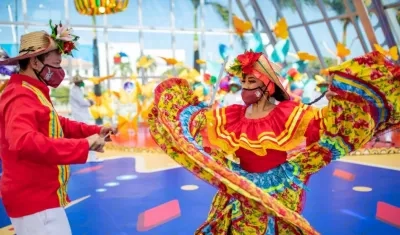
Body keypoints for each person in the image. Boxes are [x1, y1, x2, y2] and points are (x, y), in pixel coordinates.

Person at [148, 50, 400, 234]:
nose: (244, 87)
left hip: (279, 185)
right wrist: (190, 115)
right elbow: (198, 125)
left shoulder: (289, 113)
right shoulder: (232, 114)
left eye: (251, 81)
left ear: (267, 85)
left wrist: (341, 101)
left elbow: (326, 127)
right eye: (243, 82)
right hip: (240, 183)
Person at [0, 21, 117, 235]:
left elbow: (57, 123)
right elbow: (24, 142)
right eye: (55, 64)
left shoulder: (32, 91)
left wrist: (94, 131)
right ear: (35, 62)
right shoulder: (20, 95)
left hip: (41, 197)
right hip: (33, 200)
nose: (59, 70)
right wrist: (83, 145)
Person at [69, 74, 100, 162]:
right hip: (80, 116)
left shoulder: (77, 90)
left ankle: (91, 157)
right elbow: (82, 102)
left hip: (81, 115)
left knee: (87, 135)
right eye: (81, 81)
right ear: (77, 82)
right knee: (87, 136)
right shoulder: (75, 91)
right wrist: (90, 102)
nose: (82, 83)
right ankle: (91, 158)